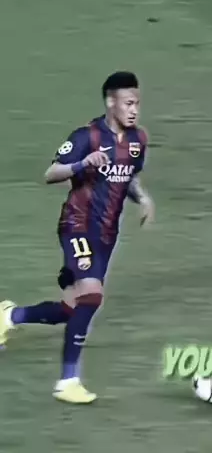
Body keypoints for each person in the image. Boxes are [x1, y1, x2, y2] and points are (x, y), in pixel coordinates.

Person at [0, 71, 155, 404]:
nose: (134, 110)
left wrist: (142, 198)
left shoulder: (138, 140)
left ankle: (9, 316)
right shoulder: (87, 136)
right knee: (91, 297)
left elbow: (127, 176)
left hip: (106, 235)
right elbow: (51, 172)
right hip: (77, 225)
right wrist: (82, 163)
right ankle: (68, 382)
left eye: (137, 104)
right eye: (128, 103)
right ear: (110, 102)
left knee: (71, 309)